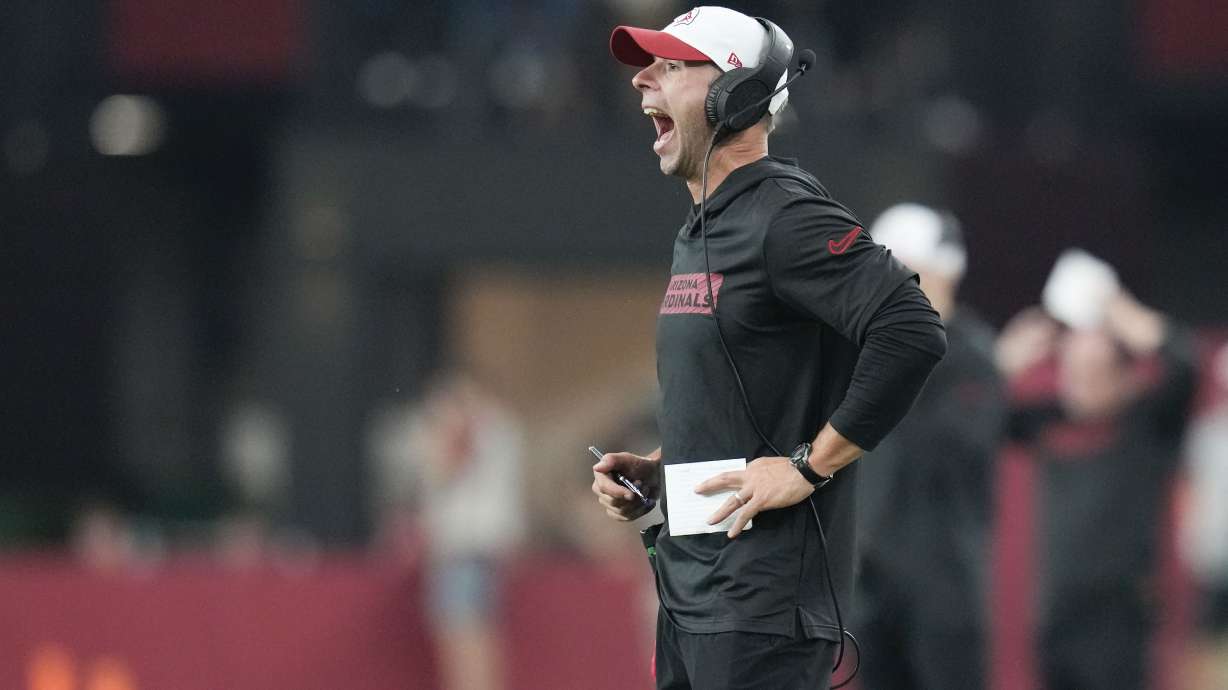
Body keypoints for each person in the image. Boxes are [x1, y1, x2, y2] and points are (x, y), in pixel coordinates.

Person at [591, 8, 947, 689]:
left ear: (736, 95)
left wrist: (808, 467)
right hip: (691, 599)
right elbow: (755, 397)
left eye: (673, 66)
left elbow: (912, 329)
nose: (641, 80)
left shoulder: (784, 215)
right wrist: (665, 469)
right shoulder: (707, 226)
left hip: (758, 611)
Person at [997, 289, 1198, 690]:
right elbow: (979, 411)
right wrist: (1005, 358)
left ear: (1125, 376)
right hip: (1056, 613)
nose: (1081, 382)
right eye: (1073, 369)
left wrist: (1123, 313)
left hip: (1120, 617)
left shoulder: (1146, 424)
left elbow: (1184, 364)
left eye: (1095, 369)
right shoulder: (1048, 422)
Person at [853, 204, 1006, 690]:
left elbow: (952, 443)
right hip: (873, 573)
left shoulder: (974, 356)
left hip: (945, 579)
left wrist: (920, 335)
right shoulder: (866, 351)